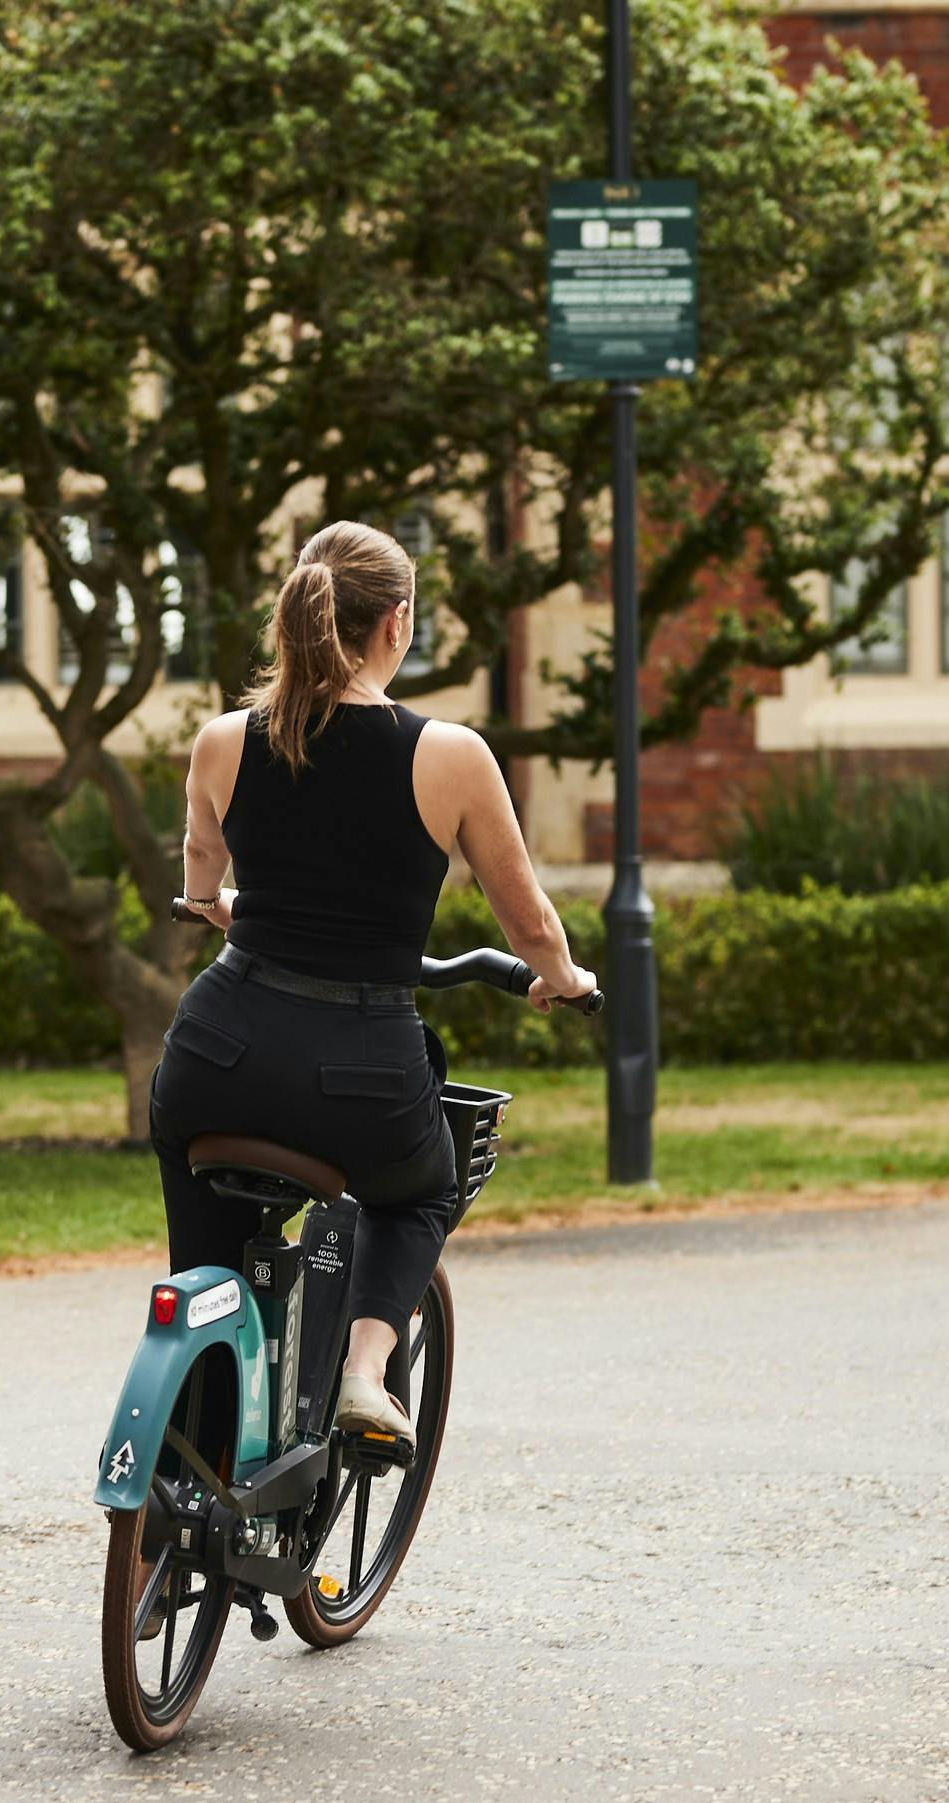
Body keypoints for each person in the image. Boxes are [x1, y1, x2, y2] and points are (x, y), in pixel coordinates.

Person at [154, 518, 597, 1442]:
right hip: (360, 1073)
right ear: (397, 623)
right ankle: (364, 1369)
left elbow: (202, 881)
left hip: (216, 1051)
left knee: (204, 1242)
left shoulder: (223, 740)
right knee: (422, 1186)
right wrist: (559, 975)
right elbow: (528, 921)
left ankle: (187, 1453)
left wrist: (221, 903)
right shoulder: (451, 756)